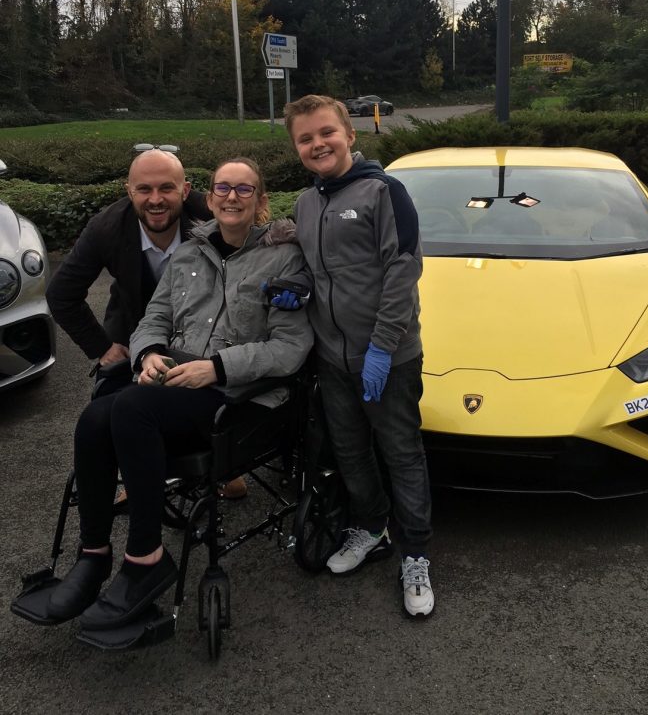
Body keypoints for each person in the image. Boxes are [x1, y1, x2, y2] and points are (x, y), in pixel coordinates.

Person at [45, 157, 313, 630]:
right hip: (177, 382)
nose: (232, 197)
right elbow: (154, 317)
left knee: (132, 408)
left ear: (261, 201)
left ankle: (145, 559)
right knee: (94, 419)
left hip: (238, 394)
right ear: (209, 198)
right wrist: (147, 353)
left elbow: (290, 348)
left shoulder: (284, 259)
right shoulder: (189, 253)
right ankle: (93, 554)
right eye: (223, 188)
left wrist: (216, 368)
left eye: (244, 189)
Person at [283, 94, 434, 618]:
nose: (318, 144)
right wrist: (295, 285)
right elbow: (311, 265)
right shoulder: (306, 204)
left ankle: (415, 555)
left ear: (349, 134)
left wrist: (382, 348)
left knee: (402, 454)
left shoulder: (385, 192)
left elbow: (404, 269)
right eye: (305, 138)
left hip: (388, 357)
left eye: (326, 132)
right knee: (350, 452)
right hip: (332, 358)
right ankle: (371, 529)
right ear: (297, 148)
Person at [46, 148, 248, 499]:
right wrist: (101, 347)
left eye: (166, 188)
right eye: (144, 189)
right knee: (114, 404)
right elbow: (61, 294)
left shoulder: (212, 214)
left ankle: (223, 464)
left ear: (185, 191)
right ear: (129, 191)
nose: (155, 199)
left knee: (205, 396)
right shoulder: (106, 228)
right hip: (134, 327)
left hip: (202, 328)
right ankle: (138, 470)